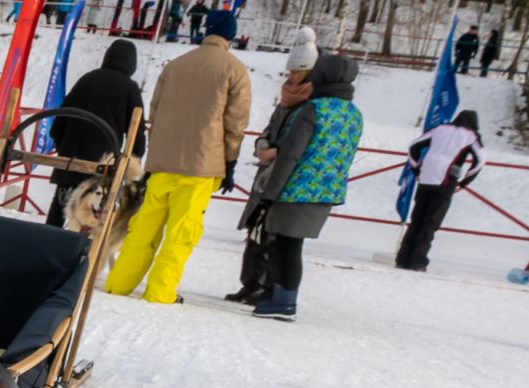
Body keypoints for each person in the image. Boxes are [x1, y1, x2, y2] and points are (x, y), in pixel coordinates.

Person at [104, 8, 251, 304]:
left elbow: (155, 113)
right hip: (201, 166)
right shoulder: (235, 70)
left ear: (206, 29)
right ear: (231, 35)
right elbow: (235, 123)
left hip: (161, 164)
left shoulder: (175, 66)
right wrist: (230, 163)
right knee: (181, 232)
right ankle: (160, 292)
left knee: (143, 228)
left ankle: (118, 283)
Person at [241, 53, 362, 318]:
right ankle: (279, 296)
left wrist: (270, 192)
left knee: (287, 246)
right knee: (292, 245)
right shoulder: (353, 114)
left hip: (296, 188)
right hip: (327, 190)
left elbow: (290, 154)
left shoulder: (314, 109)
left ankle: (284, 301)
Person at [226, 63, 312, 302]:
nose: (291, 76)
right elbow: (269, 129)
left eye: (297, 72)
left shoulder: (309, 106)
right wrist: (262, 145)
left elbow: (299, 142)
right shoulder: (284, 103)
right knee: (256, 230)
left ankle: (267, 285)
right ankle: (250, 282)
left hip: (282, 175)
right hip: (265, 174)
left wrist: (276, 152)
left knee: (271, 233)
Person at [45, 39, 147, 227]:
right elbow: (137, 133)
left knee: (60, 207)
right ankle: (80, 253)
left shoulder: (87, 79)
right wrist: (133, 161)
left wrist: (63, 149)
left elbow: (60, 118)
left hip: (71, 159)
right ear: (133, 64)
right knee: (92, 215)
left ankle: (47, 247)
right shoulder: (129, 88)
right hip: (102, 165)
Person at [394, 108, 483, 272]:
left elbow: (413, 146)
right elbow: (479, 162)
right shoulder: (471, 136)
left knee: (417, 220)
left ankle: (402, 259)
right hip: (446, 181)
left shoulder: (439, 128)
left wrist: (416, 170)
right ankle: (418, 262)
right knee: (430, 223)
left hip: (426, 177)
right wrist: (463, 183)